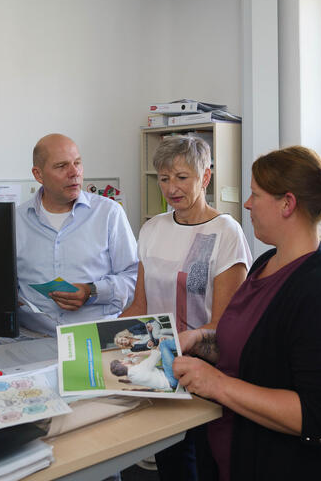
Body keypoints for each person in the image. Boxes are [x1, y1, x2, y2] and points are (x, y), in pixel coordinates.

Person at [173, 146, 321, 481]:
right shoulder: (266, 263)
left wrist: (217, 385)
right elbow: (256, 350)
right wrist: (201, 341)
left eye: (255, 194)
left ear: (287, 204)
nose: (247, 204)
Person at [120, 134, 252, 481]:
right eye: (164, 178)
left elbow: (224, 325)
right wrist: (100, 337)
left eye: (182, 177)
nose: (171, 188)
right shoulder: (152, 228)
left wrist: (181, 347)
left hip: (204, 370)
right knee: (172, 466)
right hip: (157, 369)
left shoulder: (226, 232)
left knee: (205, 465)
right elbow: (140, 305)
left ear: (205, 177)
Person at [16, 133, 138, 336]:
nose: (74, 173)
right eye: (61, 166)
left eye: (77, 163)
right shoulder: (16, 220)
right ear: (38, 174)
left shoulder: (109, 213)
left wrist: (91, 291)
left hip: (94, 335)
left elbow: (134, 278)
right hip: (32, 337)